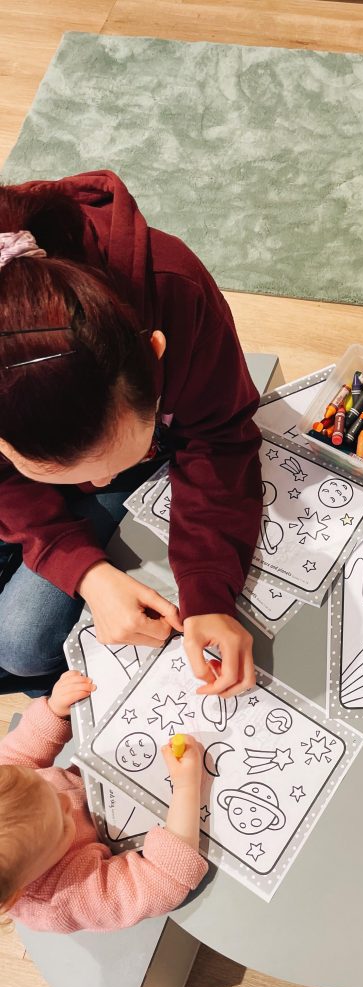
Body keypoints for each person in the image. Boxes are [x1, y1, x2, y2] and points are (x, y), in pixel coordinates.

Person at [0, 170, 262, 698]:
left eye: (118, 461)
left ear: (155, 353)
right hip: (16, 489)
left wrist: (208, 590)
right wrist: (87, 572)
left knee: (20, 644)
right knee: (20, 649)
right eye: (66, 472)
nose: (103, 484)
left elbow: (221, 436)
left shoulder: (173, 286)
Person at [0, 669, 207, 931]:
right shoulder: (62, 900)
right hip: (157, 831)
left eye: (46, 786)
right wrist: (187, 788)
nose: (66, 801)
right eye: (62, 825)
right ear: (15, 895)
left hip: (113, 776)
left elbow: (19, 754)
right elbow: (162, 882)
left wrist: (54, 710)